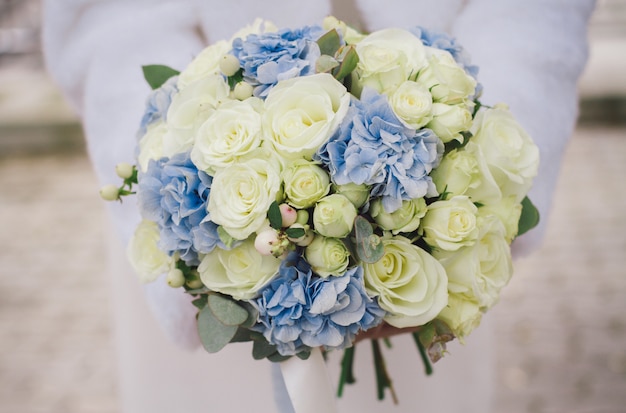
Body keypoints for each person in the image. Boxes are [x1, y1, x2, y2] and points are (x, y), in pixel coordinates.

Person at [42, 0, 595, 411]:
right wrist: (177, 149)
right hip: (215, 241)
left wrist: (481, 156)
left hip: (436, 198)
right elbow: (107, 15)